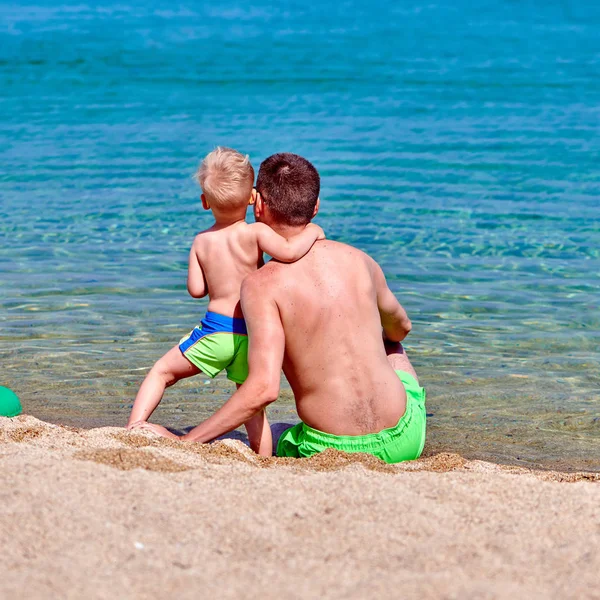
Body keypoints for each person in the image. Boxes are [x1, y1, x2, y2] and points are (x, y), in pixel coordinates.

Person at [132, 153, 426, 464]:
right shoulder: (361, 260)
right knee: (391, 344)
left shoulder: (261, 285)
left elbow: (262, 390)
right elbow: (401, 328)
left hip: (329, 449)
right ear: (316, 207)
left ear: (258, 205)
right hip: (405, 439)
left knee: (278, 430)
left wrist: (187, 441)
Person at [126, 148, 324, 456]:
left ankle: (134, 427)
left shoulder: (202, 242)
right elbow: (288, 251)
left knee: (162, 372)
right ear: (252, 199)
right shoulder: (256, 233)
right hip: (250, 335)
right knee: (252, 407)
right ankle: (263, 458)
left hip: (215, 332)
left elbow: (195, 289)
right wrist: (313, 231)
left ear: (205, 202)